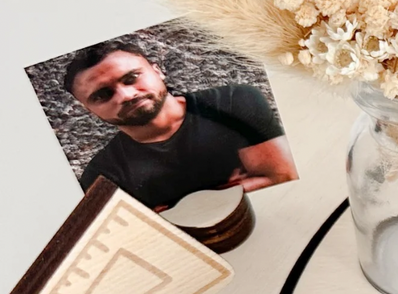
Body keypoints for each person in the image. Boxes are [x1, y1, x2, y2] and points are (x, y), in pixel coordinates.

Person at [65, 40, 298, 210]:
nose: (126, 95)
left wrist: (176, 211)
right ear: (88, 109)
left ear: (158, 71)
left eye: (131, 78)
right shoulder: (101, 176)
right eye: (102, 95)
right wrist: (233, 189)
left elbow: (283, 176)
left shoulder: (232, 102)